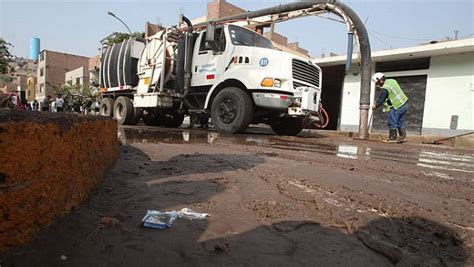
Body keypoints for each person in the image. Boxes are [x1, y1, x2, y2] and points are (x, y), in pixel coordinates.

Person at [371, 72, 409, 143]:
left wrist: (375, 105)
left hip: (397, 105)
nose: (377, 85)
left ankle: (392, 138)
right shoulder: (392, 81)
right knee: (400, 121)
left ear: (380, 80)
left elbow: (381, 98)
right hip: (404, 103)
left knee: (392, 121)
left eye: (377, 83)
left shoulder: (385, 88)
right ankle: (402, 137)